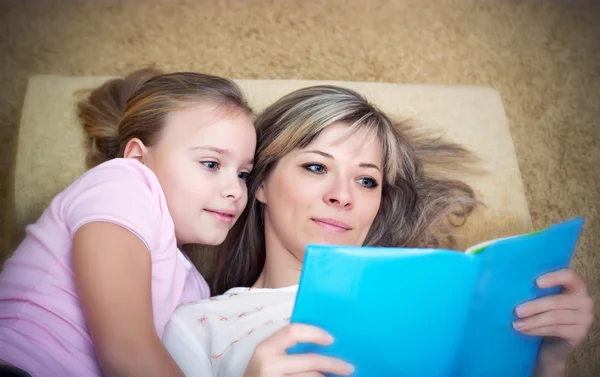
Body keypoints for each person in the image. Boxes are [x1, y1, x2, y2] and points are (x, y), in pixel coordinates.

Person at [162, 85, 594, 377]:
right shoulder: (200, 324)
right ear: (261, 185)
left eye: (367, 180)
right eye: (316, 167)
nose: (343, 195)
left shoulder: (432, 299)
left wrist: (548, 361)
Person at [0, 68, 257, 377]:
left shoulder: (195, 288)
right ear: (137, 158)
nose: (235, 190)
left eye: (243, 173)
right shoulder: (122, 184)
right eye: (211, 163)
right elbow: (127, 353)